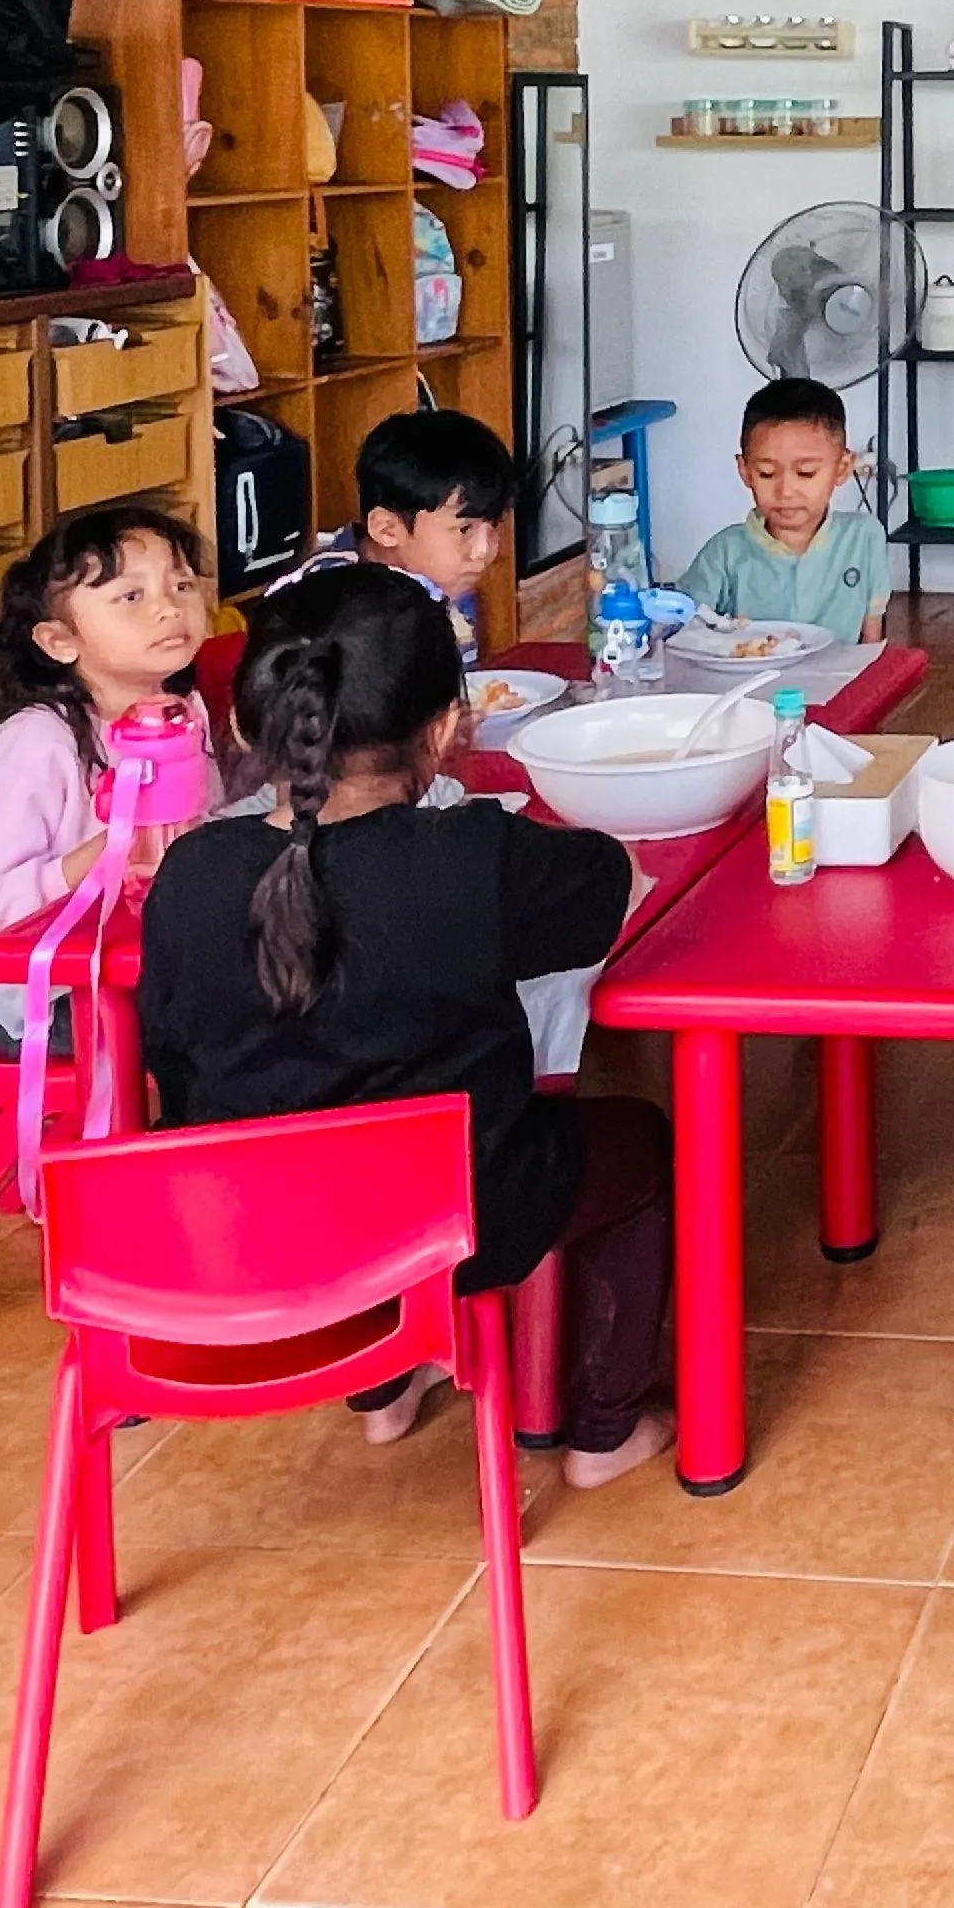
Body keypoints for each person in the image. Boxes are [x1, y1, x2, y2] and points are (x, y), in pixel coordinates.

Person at [137, 566, 676, 1487]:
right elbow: (613, 882)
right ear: (443, 731)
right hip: (457, 1222)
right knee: (642, 1143)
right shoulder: (471, 855)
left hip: (242, 1234)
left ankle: (383, 1388)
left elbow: (173, 1056)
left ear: (243, 724)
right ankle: (602, 1431)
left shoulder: (188, 873)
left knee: (314, 1122)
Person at [0, 505, 217, 1047]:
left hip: (140, 956)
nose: (170, 609)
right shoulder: (35, 744)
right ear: (59, 641)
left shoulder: (181, 710)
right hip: (46, 995)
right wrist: (107, 853)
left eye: (182, 585)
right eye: (131, 597)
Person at [272, 408, 512, 661]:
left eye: (495, 524)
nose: (484, 551)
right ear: (386, 529)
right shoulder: (321, 601)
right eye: (464, 529)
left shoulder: (448, 581)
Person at [675, 377, 889, 642]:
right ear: (745, 471)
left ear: (842, 468)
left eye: (806, 473)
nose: (785, 491)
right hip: (749, 681)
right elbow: (685, 628)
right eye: (767, 474)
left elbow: (872, 639)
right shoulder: (725, 553)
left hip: (838, 681)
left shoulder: (863, 537)